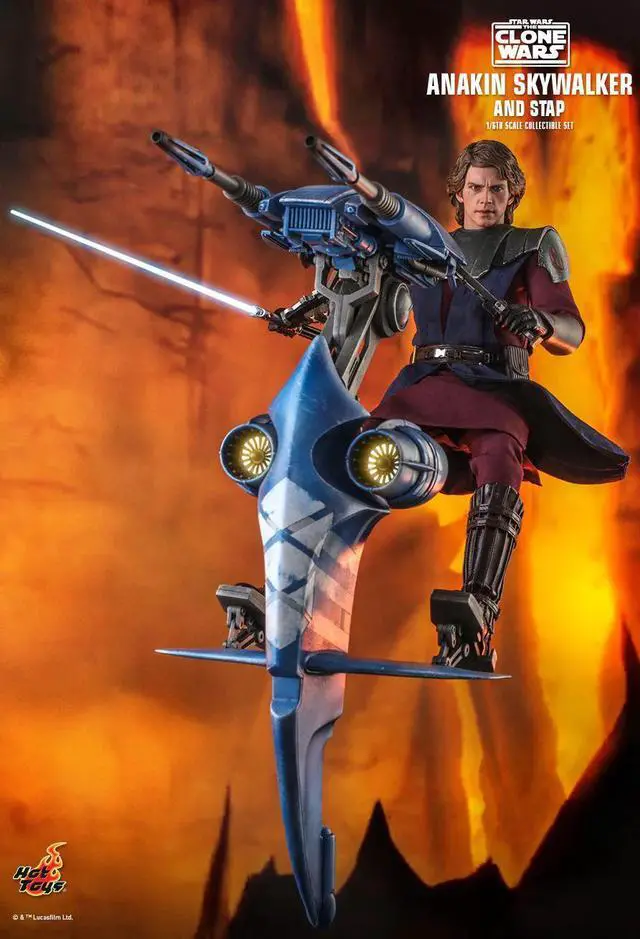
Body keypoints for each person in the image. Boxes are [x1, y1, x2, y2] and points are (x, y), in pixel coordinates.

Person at [367, 139, 629, 673]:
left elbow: (572, 332)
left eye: (496, 189)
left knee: (499, 452)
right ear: (459, 194)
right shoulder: (420, 245)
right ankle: (300, 582)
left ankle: (477, 611)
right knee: (354, 453)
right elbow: (374, 304)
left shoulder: (531, 246)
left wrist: (539, 322)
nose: (485, 198)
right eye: (476, 188)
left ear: (511, 196)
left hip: (495, 388)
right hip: (422, 383)